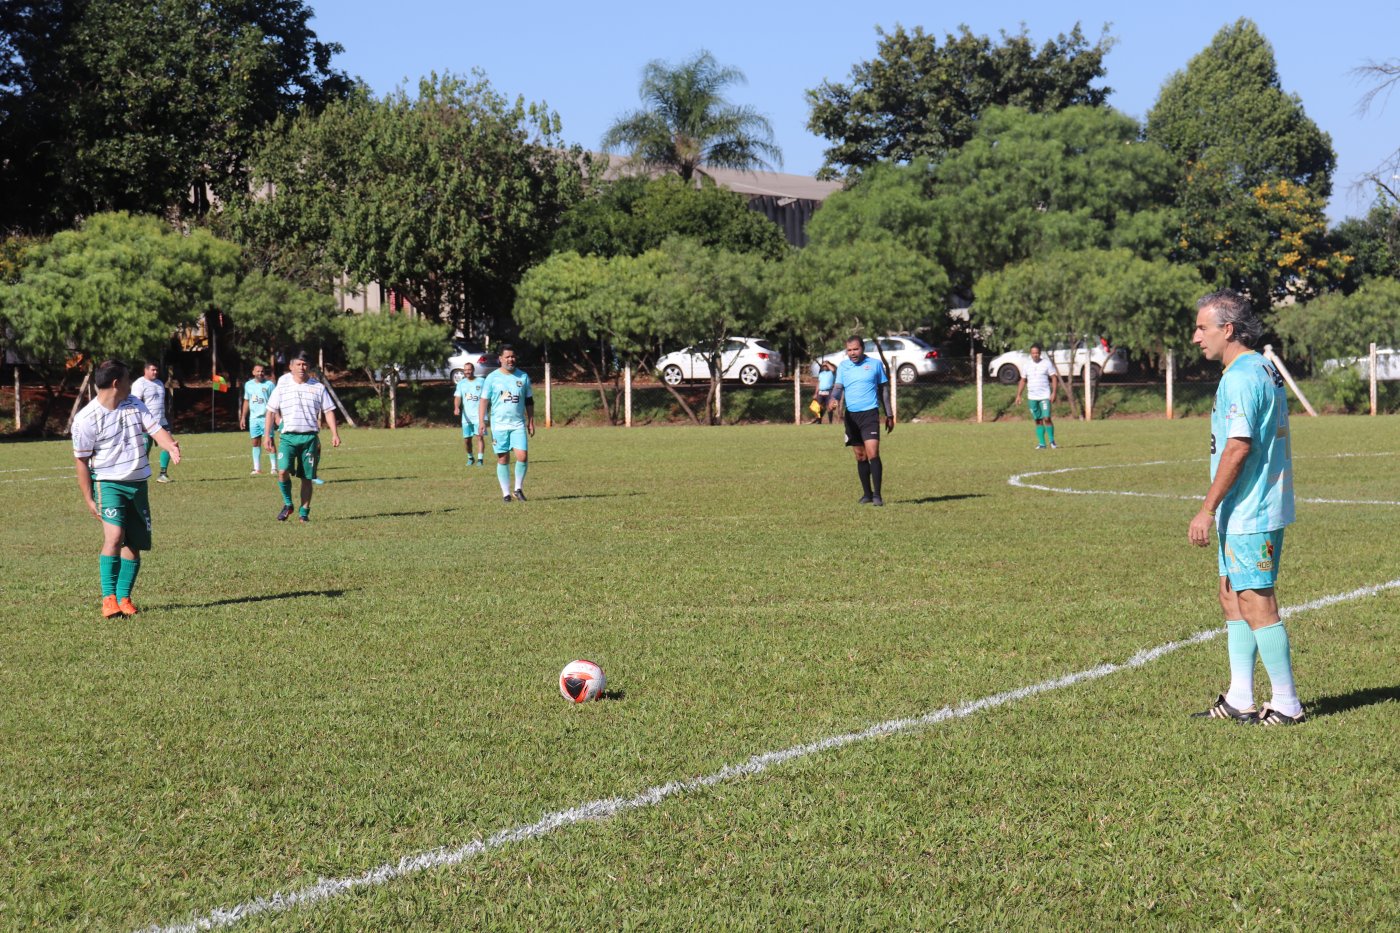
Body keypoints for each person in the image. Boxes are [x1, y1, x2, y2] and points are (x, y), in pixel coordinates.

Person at [1187, 289, 1302, 726]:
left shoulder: (1241, 376)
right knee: (1231, 595)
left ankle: (1288, 703)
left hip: (1251, 509)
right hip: (1244, 508)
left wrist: (1207, 508)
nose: (1197, 337)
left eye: (1203, 327)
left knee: (1256, 600)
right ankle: (1240, 697)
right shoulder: (1259, 367)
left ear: (1227, 329)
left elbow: (1238, 446)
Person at [72, 360, 182, 618]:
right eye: (127, 378)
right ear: (115, 383)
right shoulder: (86, 419)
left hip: (138, 485)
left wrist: (170, 446)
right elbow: (81, 461)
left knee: (133, 542)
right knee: (114, 536)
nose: (130, 383)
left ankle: (124, 598)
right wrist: (88, 498)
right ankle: (108, 598)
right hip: (109, 484)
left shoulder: (133, 403)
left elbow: (155, 429)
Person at [264, 350, 340, 522]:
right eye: (298, 364)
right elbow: (270, 411)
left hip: (310, 438)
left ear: (309, 367)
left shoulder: (318, 387)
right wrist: (267, 436)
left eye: (304, 364)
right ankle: (288, 504)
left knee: (307, 477)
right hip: (288, 438)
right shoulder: (282, 386)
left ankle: (304, 513)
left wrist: (335, 433)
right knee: (282, 471)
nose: (301, 367)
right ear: (291, 367)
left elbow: (328, 411)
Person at [827, 336, 893, 506]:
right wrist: (833, 399)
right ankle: (867, 494)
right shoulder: (843, 367)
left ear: (862, 348)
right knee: (860, 456)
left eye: (855, 349)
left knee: (873, 453)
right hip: (851, 417)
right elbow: (838, 388)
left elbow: (884, 390)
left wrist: (889, 415)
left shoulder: (875, 365)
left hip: (870, 414)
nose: (852, 353)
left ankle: (877, 495)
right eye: (849, 350)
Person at [478, 345, 534, 502]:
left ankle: (518, 489)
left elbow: (529, 400)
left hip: (518, 424)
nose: (511, 359)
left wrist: (530, 420)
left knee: (522, 457)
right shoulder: (492, 378)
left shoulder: (523, 377)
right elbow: (484, 400)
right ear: (500, 359)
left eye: (513, 356)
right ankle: (505, 493)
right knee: (503, 459)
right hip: (499, 425)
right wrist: (482, 421)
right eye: (508, 356)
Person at [130, 361, 174, 482]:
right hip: (146, 423)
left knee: (170, 445)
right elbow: (135, 403)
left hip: (162, 421)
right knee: (144, 449)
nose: (155, 372)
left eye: (156, 370)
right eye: (153, 370)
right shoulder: (139, 384)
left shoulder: (159, 383)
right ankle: (140, 475)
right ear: (146, 370)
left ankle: (163, 474)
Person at [1013, 343, 1060, 449]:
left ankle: (1052, 441)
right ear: (1031, 353)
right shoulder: (1027, 365)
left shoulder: (1046, 363)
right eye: (1033, 353)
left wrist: (1054, 392)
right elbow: (1023, 380)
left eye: (1037, 353)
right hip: (1032, 397)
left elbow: (1054, 377)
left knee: (1047, 418)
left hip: (1044, 396)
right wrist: (1019, 395)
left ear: (1040, 353)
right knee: (1038, 420)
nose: (1035, 355)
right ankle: (1042, 444)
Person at [240, 364, 276, 475]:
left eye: (262, 371)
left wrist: (276, 416)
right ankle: (257, 469)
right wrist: (243, 417)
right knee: (255, 442)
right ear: (253, 372)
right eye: (258, 371)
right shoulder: (248, 385)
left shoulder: (269, 384)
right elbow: (246, 401)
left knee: (270, 442)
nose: (260, 373)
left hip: (267, 418)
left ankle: (274, 468)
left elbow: (275, 401)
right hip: (254, 419)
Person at [452, 363, 487, 466]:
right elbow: (458, 397)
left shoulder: (482, 381)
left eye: (469, 369)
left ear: (473, 370)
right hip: (466, 417)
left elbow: (487, 396)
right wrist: (456, 407)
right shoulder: (461, 384)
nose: (467, 371)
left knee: (479, 437)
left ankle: (480, 460)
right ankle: (470, 457)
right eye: (465, 370)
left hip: (479, 416)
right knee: (467, 440)